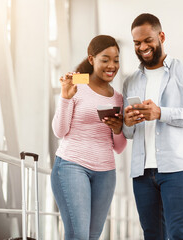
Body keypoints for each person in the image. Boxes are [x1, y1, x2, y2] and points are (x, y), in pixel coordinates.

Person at [122, 13, 183, 239]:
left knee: (180, 234)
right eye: (137, 43)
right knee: (152, 235)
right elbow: (129, 133)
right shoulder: (130, 81)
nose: (142, 47)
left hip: (179, 168)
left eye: (147, 40)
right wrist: (128, 122)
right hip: (142, 171)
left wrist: (161, 112)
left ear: (161, 36)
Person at [51, 35, 127, 240]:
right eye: (105, 60)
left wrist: (118, 128)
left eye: (116, 60)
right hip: (72, 165)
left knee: (92, 236)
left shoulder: (119, 98)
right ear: (92, 59)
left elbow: (119, 148)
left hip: (106, 173)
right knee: (79, 235)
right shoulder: (77, 86)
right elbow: (59, 131)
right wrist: (65, 98)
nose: (112, 65)